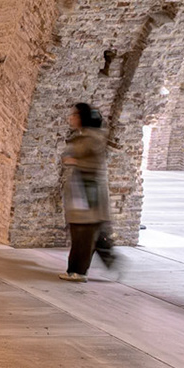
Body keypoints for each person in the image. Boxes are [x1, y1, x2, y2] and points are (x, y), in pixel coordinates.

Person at [59, 101, 116, 281]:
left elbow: (74, 157)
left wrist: (72, 159)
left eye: (75, 115)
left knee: (84, 233)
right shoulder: (85, 136)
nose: (71, 118)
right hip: (83, 190)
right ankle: (101, 261)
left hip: (88, 193)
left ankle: (78, 271)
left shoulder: (91, 138)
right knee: (85, 232)